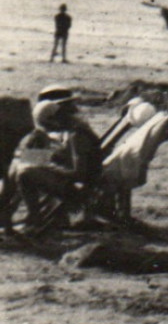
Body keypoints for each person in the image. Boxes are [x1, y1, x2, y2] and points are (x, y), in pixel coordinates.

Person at [6, 89, 102, 233]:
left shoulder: (77, 136)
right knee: (24, 164)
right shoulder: (73, 131)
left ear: (54, 119)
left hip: (78, 190)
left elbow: (79, 173)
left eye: (49, 126)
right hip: (74, 184)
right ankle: (8, 212)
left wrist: (48, 167)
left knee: (25, 173)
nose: (51, 130)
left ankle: (34, 219)